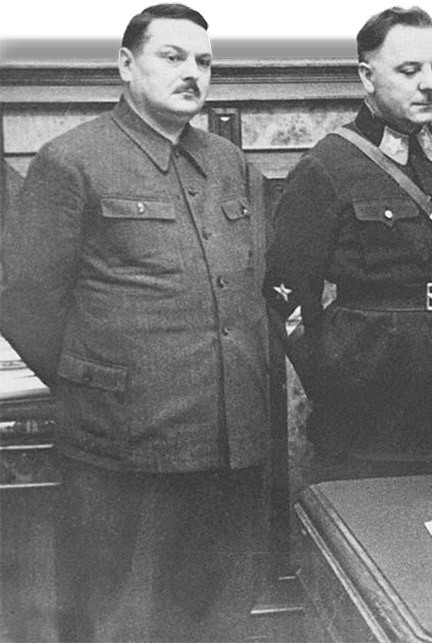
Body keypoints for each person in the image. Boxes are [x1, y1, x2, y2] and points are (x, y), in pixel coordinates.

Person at [0, 4, 269, 640]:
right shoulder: (73, 161)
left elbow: (252, 286)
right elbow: (25, 301)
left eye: (203, 61)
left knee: (212, 618)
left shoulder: (229, 162)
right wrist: (95, 383)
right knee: (110, 620)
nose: (192, 73)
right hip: (118, 447)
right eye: (172, 57)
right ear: (126, 64)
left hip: (227, 442)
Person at [263, 6, 432, 477]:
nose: (429, 84)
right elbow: (285, 295)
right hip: (369, 409)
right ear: (367, 77)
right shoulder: (328, 166)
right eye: (409, 71)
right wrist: (332, 381)